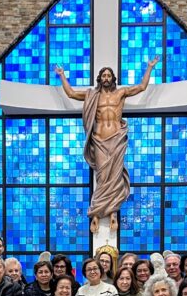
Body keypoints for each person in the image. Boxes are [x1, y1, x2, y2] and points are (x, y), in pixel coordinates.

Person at [55, 58, 158, 232]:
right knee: (102, 177)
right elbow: (71, 93)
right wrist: (62, 76)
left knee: (115, 177)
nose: (106, 77)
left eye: (109, 75)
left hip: (117, 138)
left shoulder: (121, 93)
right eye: (104, 75)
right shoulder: (92, 95)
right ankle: (95, 214)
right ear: (99, 78)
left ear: (113, 78)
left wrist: (149, 67)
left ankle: (113, 214)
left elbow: (141, 87)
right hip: (100, 139)